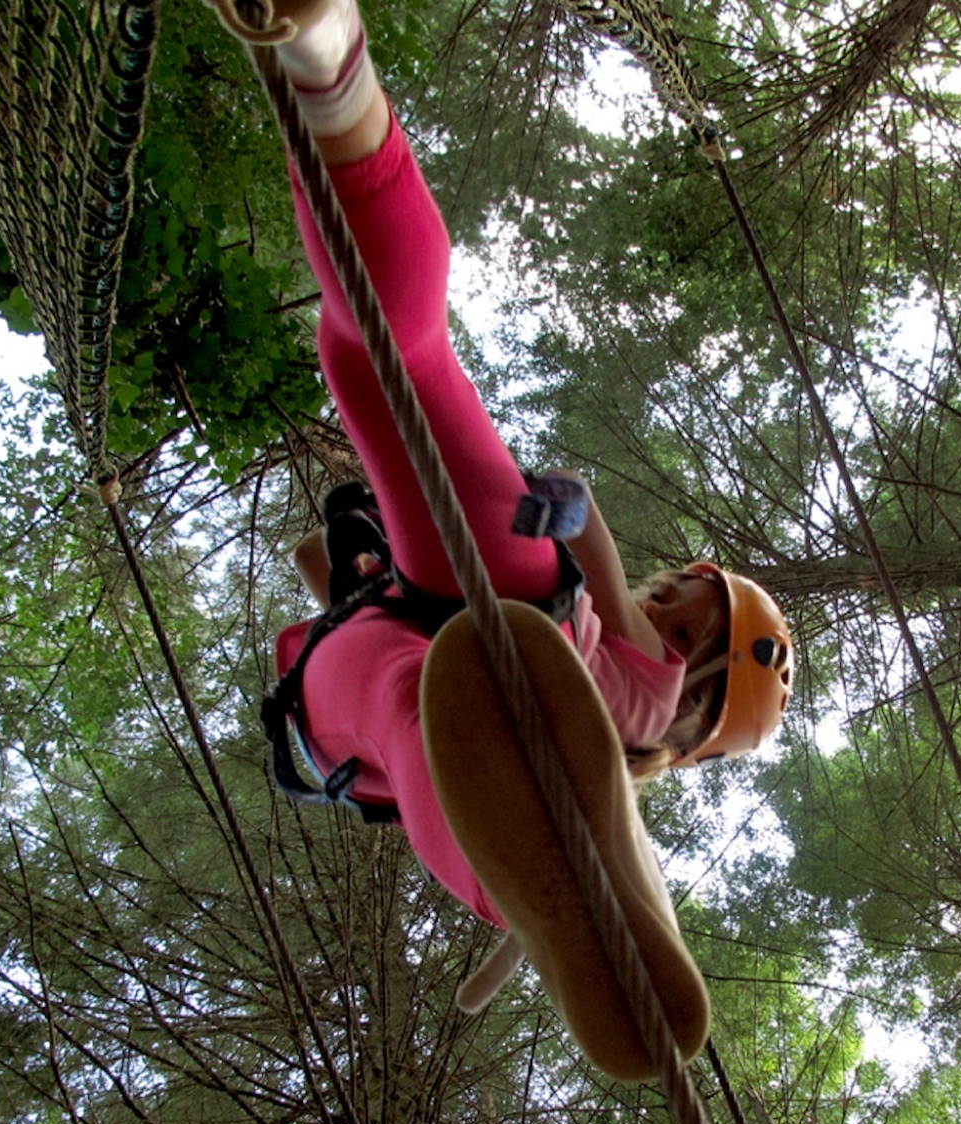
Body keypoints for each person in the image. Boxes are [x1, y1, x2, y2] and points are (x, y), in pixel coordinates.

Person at [251, 0, 794, 928]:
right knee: (374, 362)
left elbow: (611, 592)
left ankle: (336, 77)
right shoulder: (616, 709)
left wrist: (579, 518)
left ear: (697, 710)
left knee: (393, 365)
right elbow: (322, 555)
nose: (661, 621)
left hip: (492, 613)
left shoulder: (652, 700)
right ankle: (530, 899)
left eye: (683, 630)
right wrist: (363, 564)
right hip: (480, 613)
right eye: (676, 602)